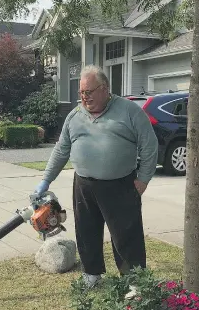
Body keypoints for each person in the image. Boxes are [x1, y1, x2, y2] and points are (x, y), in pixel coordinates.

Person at [34, 65, 158, 288]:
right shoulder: (75, 115)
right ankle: (92, 273)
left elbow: (149, 146)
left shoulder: (129, 111)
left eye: (89, 92)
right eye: (81, 92)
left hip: (120, 185)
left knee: (126, 236)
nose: (84, 97)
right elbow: (62, 149)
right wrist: (46, 180)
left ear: (105, 89)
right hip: (84, 184)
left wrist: (144, 179)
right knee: (86, 231)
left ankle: (134, 283)